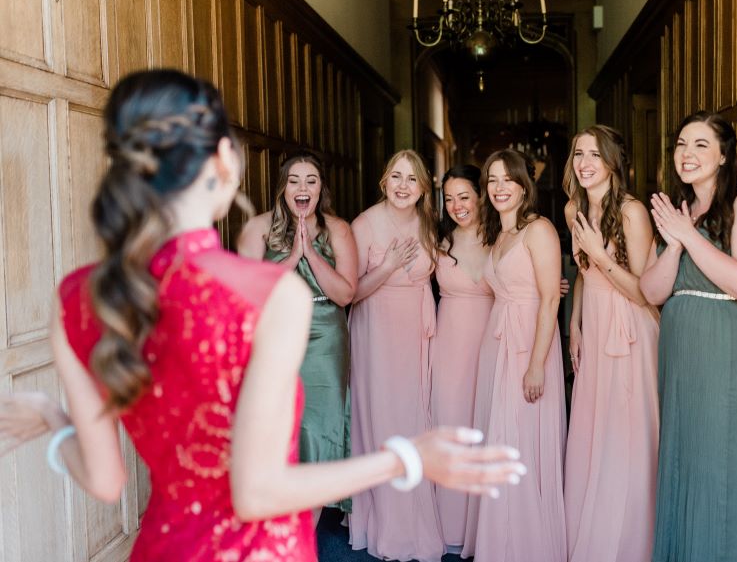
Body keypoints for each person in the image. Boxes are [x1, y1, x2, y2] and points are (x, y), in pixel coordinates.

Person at [0, 70, 526, 562]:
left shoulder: (79, 296)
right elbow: (257, 493)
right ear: (227, 163)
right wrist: (406, 459)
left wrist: (52, 418)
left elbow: (105, 481)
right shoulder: (269, 293)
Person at [639, 111, 737, 562]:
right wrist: (678, 241)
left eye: (701, 145)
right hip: (684, 354)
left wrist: (689, 235)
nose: (687, 154)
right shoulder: (678, 209)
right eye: (681, 144)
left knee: (732, 463)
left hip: (735, 348)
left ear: (724, 156)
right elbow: (651, 290)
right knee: (689, 461)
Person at [237, 152, 355, 524]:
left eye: (311, 180)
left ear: (321, 188)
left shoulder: (338, 229)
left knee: (320, 427)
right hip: (275, 338)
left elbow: (346, 294)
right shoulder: (256, 228)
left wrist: (313, 257)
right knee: (279, 429)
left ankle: (307, 533)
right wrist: (292, 256)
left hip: (325, 339)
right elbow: (252, 293)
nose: (303, 188)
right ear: (283, 187)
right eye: (295, 181)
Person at [562, 125, 660, 562]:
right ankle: (591, 531)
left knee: (626, 433)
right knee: (593, 427)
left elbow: (645, 291)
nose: (584, 163)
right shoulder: (572, 210)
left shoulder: (633, 213)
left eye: (594, 155)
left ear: (612, 162)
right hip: (595, 325)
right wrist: (575, 325)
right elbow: (584, 275)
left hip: (630, 329)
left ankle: (629, 542)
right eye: (578, 154)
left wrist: (602, 257)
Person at [464, 149, 567, 562]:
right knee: (500, 436)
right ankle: (499, 540)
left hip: (528, 344)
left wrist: (537, 364)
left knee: (521, 439)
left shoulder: (539, 229)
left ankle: (526, 545)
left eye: (509, 179)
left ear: (525, 185)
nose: (500, 188)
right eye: (492, 180)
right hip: (497, 340)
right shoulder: (499, 234)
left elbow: (547, 302)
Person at [348, 150, 445, 562]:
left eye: (412, 179)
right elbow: (350, 292)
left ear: (424, 187)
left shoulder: (428, 224)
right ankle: (387, 526)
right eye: (396, 177)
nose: (403, 186)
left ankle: (418, 519)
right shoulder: (364, 224)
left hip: (416, 333)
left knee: (415, 417)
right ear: (384, 181)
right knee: (383, 419)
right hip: (376, 331)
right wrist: (387, 266)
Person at [430, 164, 494, 551]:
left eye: (464, 196)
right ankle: (451, 527)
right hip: (450, 344)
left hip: (491, 340)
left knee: (486, 422)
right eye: (449, 199)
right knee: (452, 421)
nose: (456, 206)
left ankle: (484, 529)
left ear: (481, 196)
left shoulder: (502, 237)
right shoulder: (436, 239)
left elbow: (524, 279)